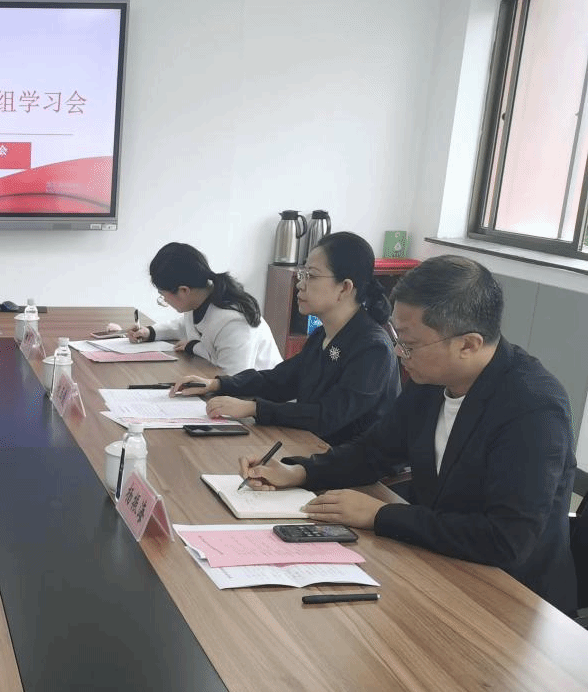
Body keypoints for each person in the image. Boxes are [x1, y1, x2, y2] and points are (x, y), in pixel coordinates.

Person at [241, 255, 577, 614]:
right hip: (437, 565)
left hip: (512, 599)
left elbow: (506, 540)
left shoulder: (533, 407)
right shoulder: (431, 379)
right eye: (398, 339)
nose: (399, 353)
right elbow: (375, 450)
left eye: (410, 344)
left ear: (468, 344)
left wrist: (381, 515)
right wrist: (300, 472)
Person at [172, 232, 400, 447]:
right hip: (312, 448)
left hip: (349, 465)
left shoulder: (373, 348)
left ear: (345, 287)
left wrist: (254, 408)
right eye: (303, 274)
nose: (300, 284)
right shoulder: (323, 335)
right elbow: (279, 380)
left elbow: (328, 416)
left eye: (311, 276)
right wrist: (218, 384)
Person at [127, 242, 281, 374]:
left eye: (163, 295)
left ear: (184, 290)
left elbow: (234, 380)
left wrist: (194, 347)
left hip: (260, 396)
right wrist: (150, 332)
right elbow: (184, 326)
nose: (164, 300)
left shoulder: (233, 322)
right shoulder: (201, 299)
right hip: (223, 385)